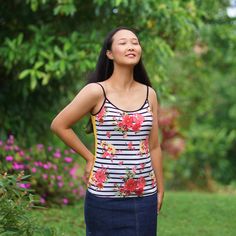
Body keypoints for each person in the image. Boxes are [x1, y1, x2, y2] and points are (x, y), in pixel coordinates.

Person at [50, 26, 164, 236]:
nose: (131, 46)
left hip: (144, 197)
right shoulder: (96, 91)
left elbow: (154, 146)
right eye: (123, 43)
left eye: (135, 42)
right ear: (109, 53)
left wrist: (160, 188)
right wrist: (89, 157)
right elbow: (59, 124)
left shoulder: (150, 94)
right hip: (104, 198)